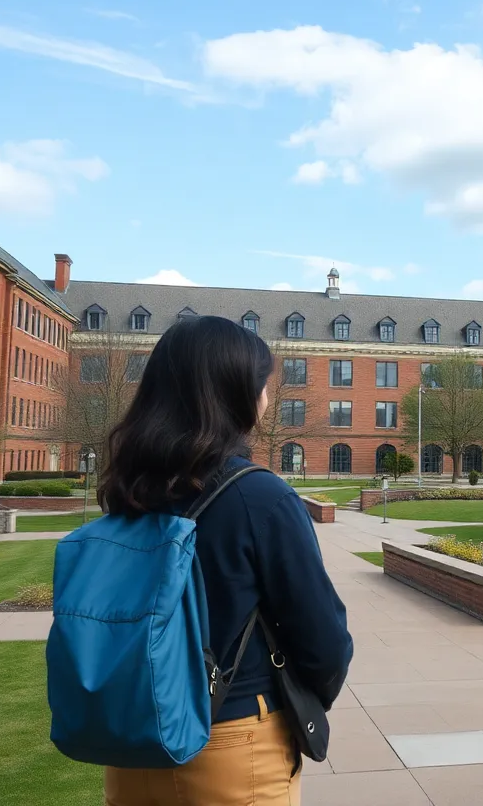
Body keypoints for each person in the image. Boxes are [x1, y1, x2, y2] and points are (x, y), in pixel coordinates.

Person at [99, 316, 354, 806]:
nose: (265, 398)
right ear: (237, 394)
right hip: (231, 742)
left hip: (134, 743)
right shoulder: (260, 497)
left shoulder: (130, 489)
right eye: (262, 385)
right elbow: (324, 640)